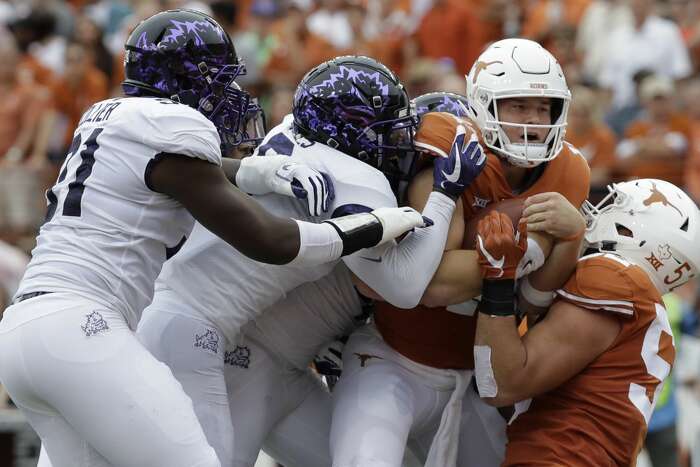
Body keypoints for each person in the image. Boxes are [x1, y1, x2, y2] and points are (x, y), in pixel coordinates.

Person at [0, 10, 427, 467]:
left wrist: (258, 170)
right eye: (219, 81)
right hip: (85, 328)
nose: (230, 95)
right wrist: (372, 226)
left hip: (24, 329)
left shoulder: (105, 115)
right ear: (186, 78)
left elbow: (184, 173)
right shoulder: (175, 127)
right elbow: (271, 242)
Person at [136, 56, 486, 467]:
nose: (403, 148)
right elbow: (408, 286)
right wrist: (445, 197)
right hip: (235, 351)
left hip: (277, 364)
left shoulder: (300, 135)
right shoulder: (359, 180)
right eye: (396, 135)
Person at [331, 38, 591, 467]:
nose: (535, 121)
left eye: (544, 108)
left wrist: (573, 236)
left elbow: (531, 301)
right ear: (484, 105)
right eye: (518, 106)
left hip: (475, 381)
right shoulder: (455, 150)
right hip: (393, 360)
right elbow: (428, 284)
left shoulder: (569, 172)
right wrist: (519, 255)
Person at [473, 178, 700, 466]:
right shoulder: (638, 296)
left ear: (644, 232)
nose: (600, 210)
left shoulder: (615, 278)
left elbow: (500, 384)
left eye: (617, 205)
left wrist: (498, 279)